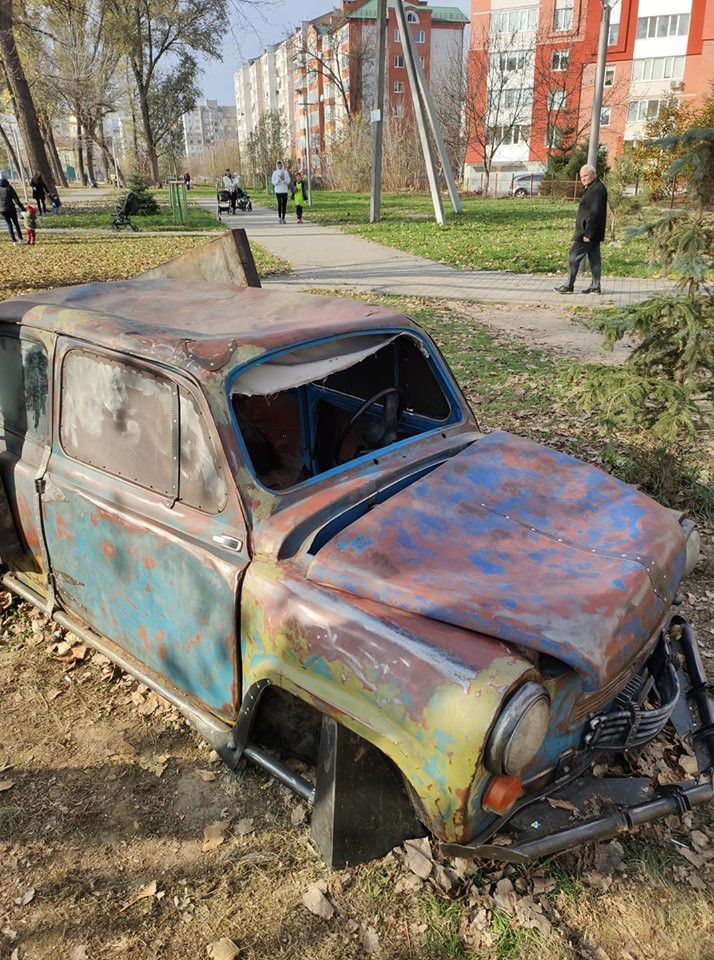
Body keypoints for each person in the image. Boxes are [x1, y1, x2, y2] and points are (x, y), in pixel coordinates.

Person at [555, 164, 608, 295]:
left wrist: (588, 233)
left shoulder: (596, 189)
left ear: (593, 174)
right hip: (592, 232)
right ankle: (595, 286)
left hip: (588, 232)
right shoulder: (593, 187)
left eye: (586, 176)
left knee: (573, 256)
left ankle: (569, 285)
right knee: (594, 259)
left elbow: (595, 213)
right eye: (581, 177)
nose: (583, 179)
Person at [0, 175, 25, 244]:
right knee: (16, 223)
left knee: (9, 225)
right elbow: (16, 200)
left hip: (2, 210)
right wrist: (22, 208)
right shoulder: (9, 188)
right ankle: (20, 239)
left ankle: (14, 241)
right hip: (11, 209)